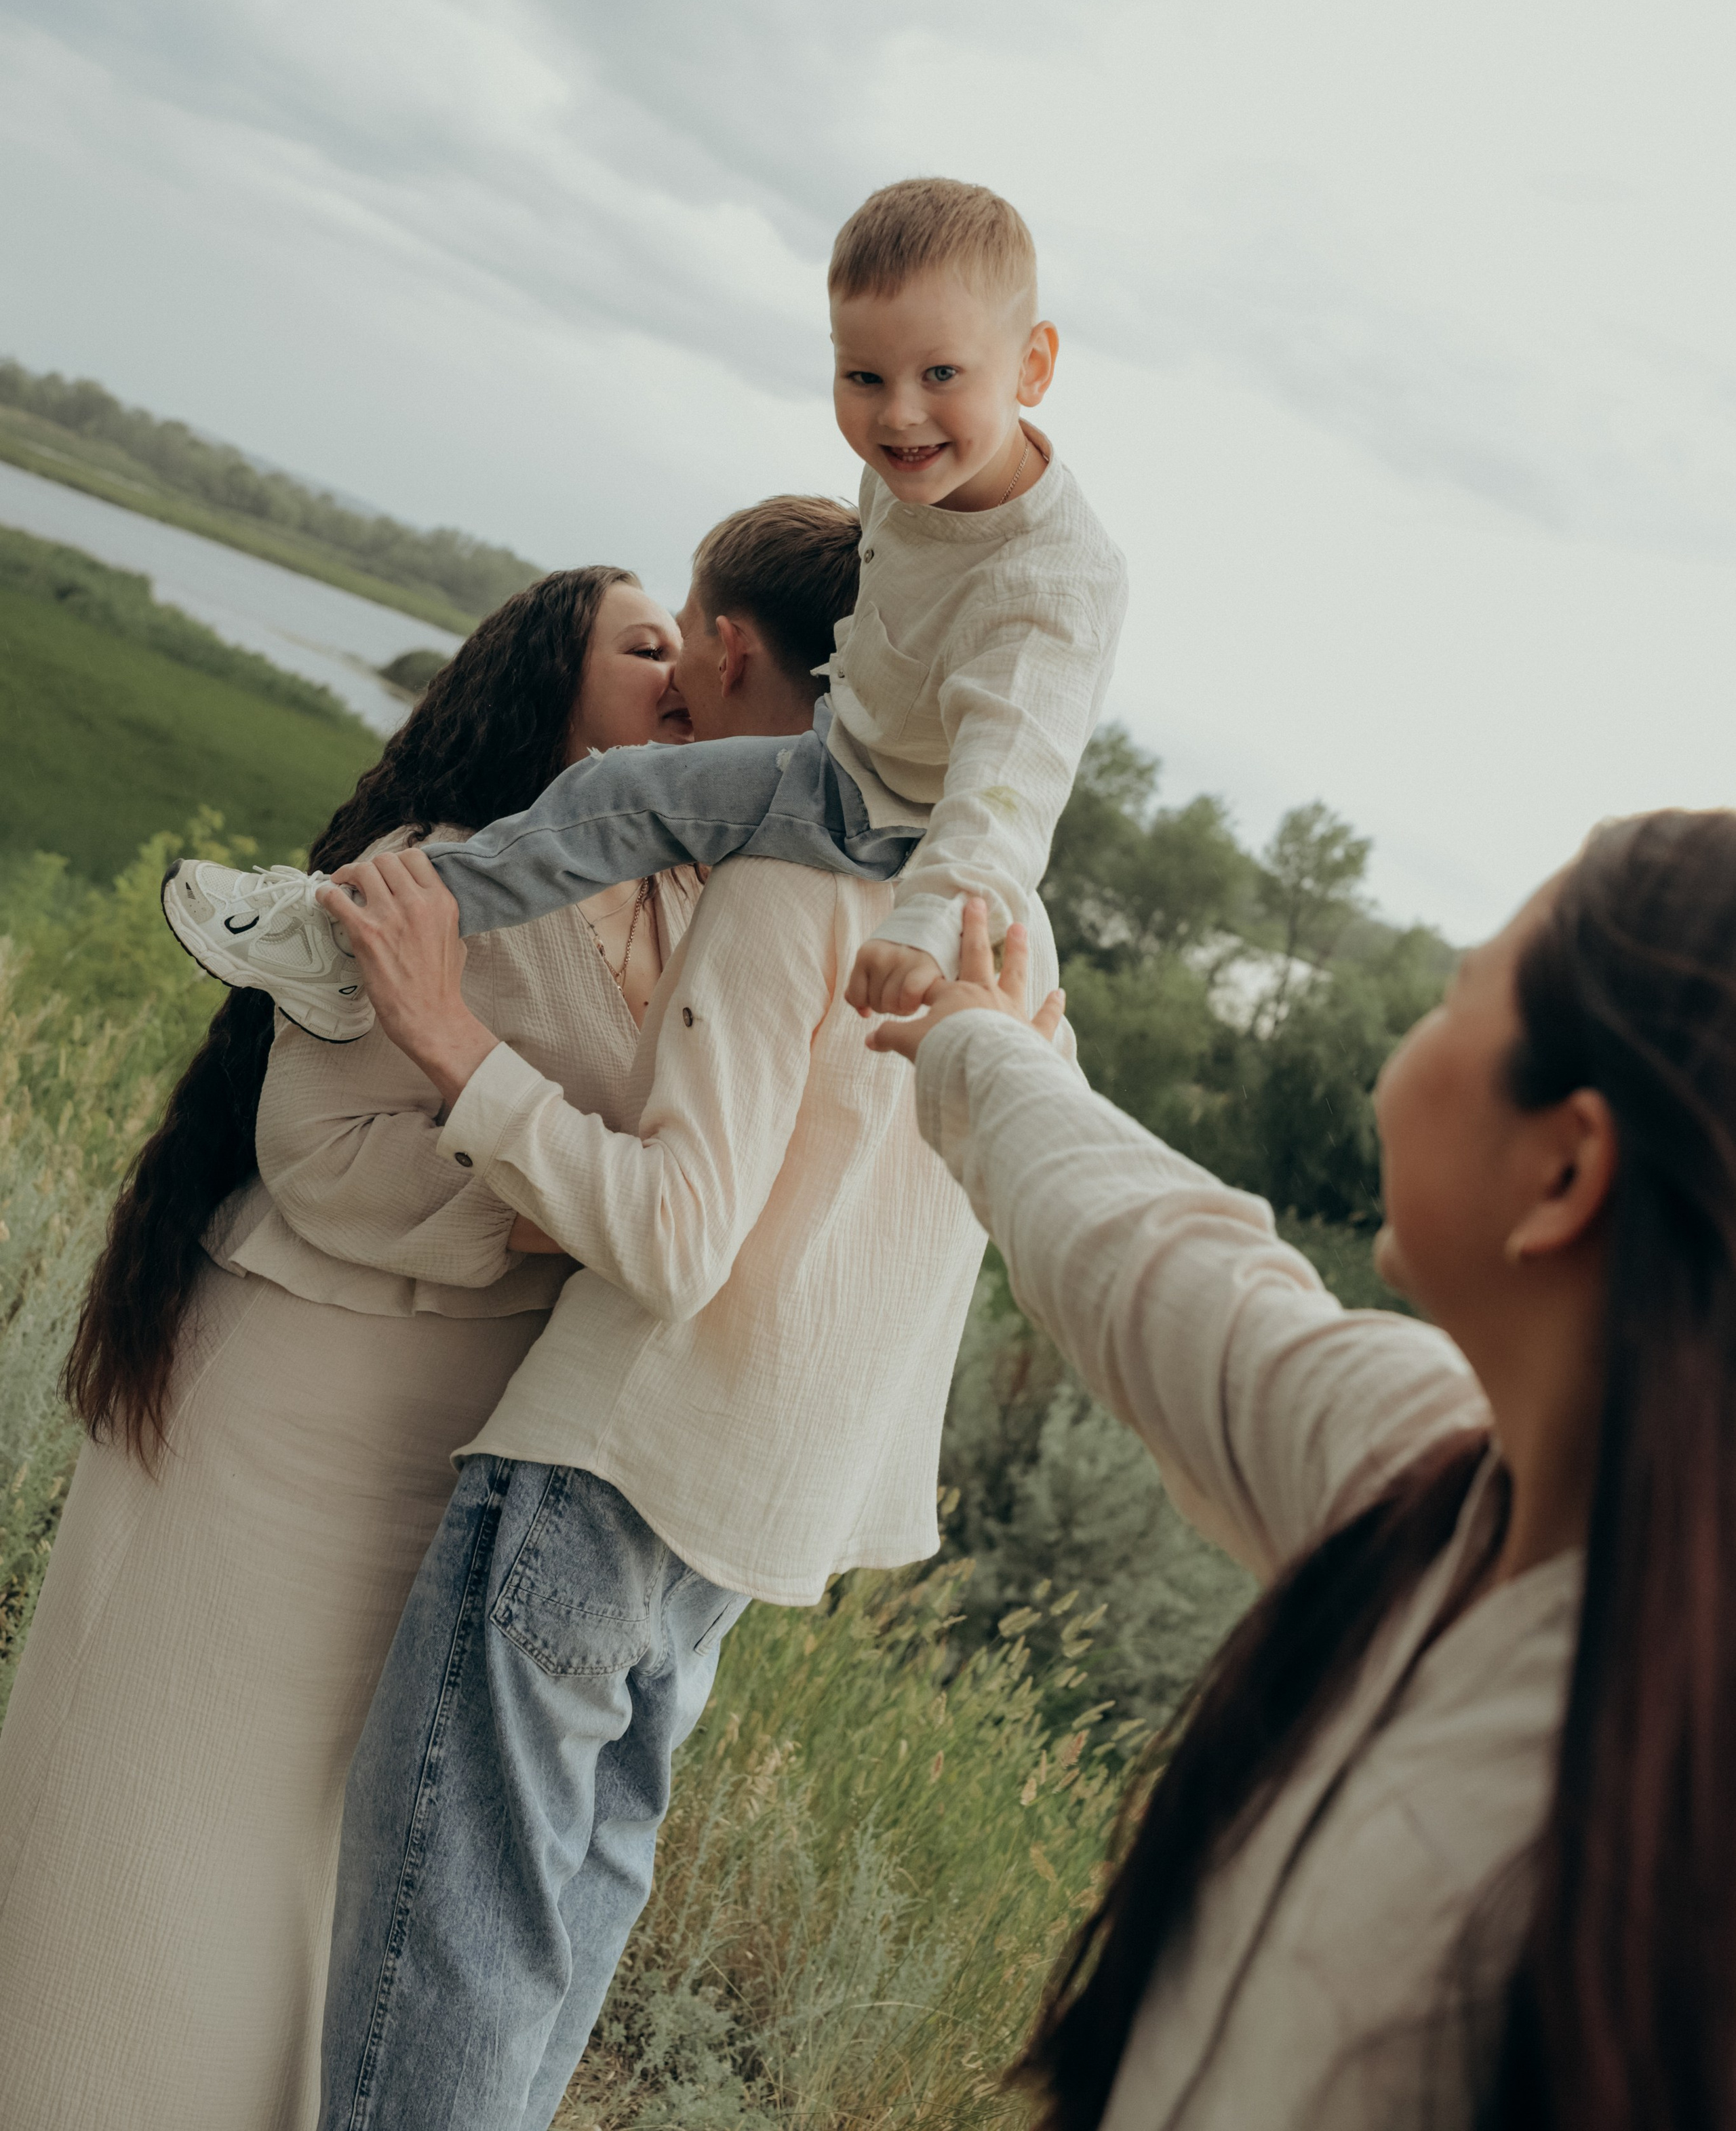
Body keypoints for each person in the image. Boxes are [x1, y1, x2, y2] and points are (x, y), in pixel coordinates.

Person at [304, 493, 1062, 2131]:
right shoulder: (997, 915)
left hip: (614, 1464)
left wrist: (447, 1040)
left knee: (444, 1957)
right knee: (554, 1940)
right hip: (751, 1517)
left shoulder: (789, 876)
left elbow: (673, 1239)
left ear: (728, 648)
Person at [0, 560, 745, 2131]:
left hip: (455, 1442)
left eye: (689, 644)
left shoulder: (693, 907)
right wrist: (572, 1216)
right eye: (641, 645)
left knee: (327, 1834)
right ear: (551, 684)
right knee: (171, 1794)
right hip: (292, 1408)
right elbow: (321, 1151)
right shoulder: (436, 870)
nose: (679, 668)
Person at [871, 825, 1736, 2131]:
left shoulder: (1652, 1838)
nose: (1415, 1038)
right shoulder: (1437, 1477)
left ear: (1565, 1170)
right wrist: (987, 1050)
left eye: (1459, 986)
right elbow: (1163, 1264)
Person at [161, 174, 1128, 1035]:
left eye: (941, 375)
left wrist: (931, 920)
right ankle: (356, 920)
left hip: (884, 812)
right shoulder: (915, 468)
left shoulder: (1049, 589)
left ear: (1033, 365)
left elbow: (1009, 787)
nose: (899, 414)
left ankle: (346, 937)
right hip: (852, 740)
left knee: (621, 799)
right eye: (863, 377)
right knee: (628, 790)